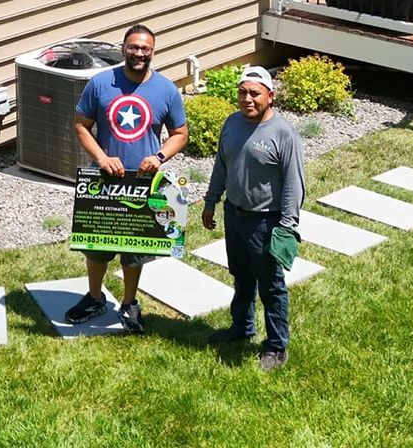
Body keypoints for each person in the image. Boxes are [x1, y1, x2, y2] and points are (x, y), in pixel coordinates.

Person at [67, 24, 188, 332]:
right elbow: (81, 124)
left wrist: (159, 156)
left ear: (153, 52)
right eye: (133, 47)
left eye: (145, 48)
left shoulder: (166, 89)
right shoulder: (100, 84)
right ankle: (94, 297)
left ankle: (129, 303)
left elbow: (180, 133)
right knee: (97, 246)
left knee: (134, 248)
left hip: (143, 183)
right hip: (104, 181)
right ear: (123, 49)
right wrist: (102, 158)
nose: (139, 53)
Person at [201, 64, 305, 372]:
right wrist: (210, 201)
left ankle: (276, 346)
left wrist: (287, 227)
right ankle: (242, 329)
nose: (247, 99)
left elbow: (293, 184)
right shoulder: (232, 123)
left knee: (271, 286)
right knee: (241, 277)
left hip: (267, 221)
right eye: (243, 92)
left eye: (255, 94)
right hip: (234, 215)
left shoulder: (284, 134)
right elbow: (221, 166)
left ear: (270, 96)